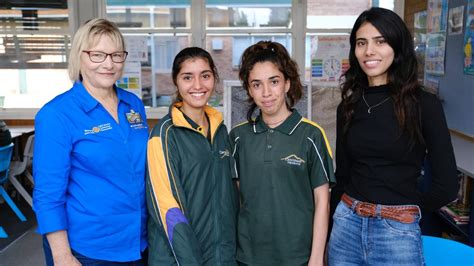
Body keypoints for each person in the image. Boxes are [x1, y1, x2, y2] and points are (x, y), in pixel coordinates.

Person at [328, 7, 459, 265]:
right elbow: (343, 175)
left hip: (396, 233)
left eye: (381, 41)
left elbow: (446, 186)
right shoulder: (349, 106)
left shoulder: (424, 104)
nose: (369, 51)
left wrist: (404, 211)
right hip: (346, 226)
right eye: (361, 43)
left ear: (397, 48)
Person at [33, 18, 148, 265]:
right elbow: (47, 195)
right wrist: (62, 255)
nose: (108, 64)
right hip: (88, 249)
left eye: (116, 55)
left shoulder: (133, 104)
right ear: (79, 56)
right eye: (97, 55)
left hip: (138, 240)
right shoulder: (56, 114)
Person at [230, 41, 336, 265]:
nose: (266, 93)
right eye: (257, 84)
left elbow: (322, 202)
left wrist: (316, 258)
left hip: (297, 257)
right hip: (249, 257)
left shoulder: (311, 135)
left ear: (287, 83)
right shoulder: (238, 137)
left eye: (274, 82)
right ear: (249, 89)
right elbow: (239, 200)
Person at [146, 47, 238, 265]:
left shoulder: (220, 130)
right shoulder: (164, 135)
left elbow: (229, 200)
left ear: (214, 79)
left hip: (221, 257)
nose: (198, 85)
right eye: (188, 77)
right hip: (180, 259)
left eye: (205, 76)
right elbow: (168, 211)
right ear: (176, 82)